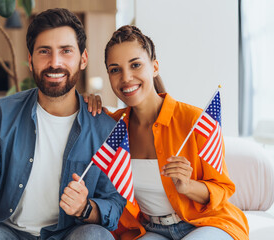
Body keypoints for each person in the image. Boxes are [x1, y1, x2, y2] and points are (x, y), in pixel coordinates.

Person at [0, 8, 126, 240]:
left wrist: (85, 208)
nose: (55, 62)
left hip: (69, 232)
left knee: (97, 236)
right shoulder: (3, 113)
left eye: (66, 51)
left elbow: (114, 204)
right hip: (7, 231)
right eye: (44, 51)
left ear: (83, 59)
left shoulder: (104, 128)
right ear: (31, 60)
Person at [85, 25, 249, 240]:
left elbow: (222, 188)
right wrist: (86, 100)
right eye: (115, 69)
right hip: (150, 229)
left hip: (206, 223)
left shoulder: (195, 120)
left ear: (154, 67)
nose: (126, 78)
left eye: (135, 65)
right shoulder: (112, 128)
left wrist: (188, 186)